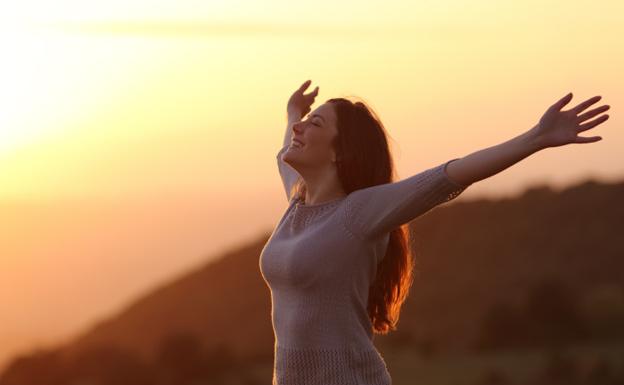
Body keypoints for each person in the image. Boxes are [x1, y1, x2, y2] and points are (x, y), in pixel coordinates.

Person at [259, 80, 610, 385]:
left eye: (314, 123)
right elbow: (283, 150)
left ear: (339, 152)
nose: (299, 129)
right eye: (302, 124)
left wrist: (537, 137)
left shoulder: (359, 213)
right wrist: (293, 112)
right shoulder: (297, 200)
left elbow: (450, 176)